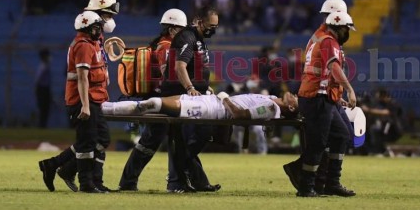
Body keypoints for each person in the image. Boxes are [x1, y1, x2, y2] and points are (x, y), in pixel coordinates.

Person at [39, 0, 120, 193]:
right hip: (85, 95)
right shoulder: (85, 42)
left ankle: (59, 166)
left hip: (94, 93)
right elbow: (83, 76)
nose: (109, 21)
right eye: (107, 15)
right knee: (88, 141)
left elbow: (95, 64)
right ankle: (87, 181)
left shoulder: (94, 38)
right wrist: (85, 103)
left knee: (99, 139)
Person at [283, 0, 355, 196]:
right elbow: (331, 67)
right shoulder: (327, 40)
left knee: (341, 135)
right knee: (319, 142)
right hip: (316, 97)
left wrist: (336, 93)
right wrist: (348, 88)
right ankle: (308, 184)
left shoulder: (320, 36)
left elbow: (324, 71)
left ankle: (329, 182)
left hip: (323, 95)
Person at [118, 8, 187, 191]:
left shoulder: (166, 44)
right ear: (172, 29)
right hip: (162, 98)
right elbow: (168, 73)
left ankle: (131, 182)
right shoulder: (166, 46)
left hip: (162, 97)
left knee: (157, 140)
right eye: (182, 30)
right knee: (161, 140)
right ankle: (172, 183)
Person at [160, 6, 220, 193]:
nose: (213, 29)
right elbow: (180, 66)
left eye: (216, 26)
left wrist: (203, 86)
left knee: (190, 138)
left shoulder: (199, 39)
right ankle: (177, 181)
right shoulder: (187, 37)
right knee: (192, 135)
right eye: (211, 25)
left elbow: (196, 68)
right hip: (180, 95)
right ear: (199, 21)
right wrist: (191, 87)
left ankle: (190, 179)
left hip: (193, 94)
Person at [103, 91, 298, 120]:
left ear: (291, 108)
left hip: (213, 109)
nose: (296, 95)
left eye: (297, 99)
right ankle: (103, 107)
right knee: (152, 105)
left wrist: (224, 98)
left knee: (153, 103)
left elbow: (240, 115)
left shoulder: (273, 109)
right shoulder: (271, 97)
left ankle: (103, 109)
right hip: (211, 100)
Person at [360, 88, 404, 155]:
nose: (378, 100)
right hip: (388, 128)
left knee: (374, 130)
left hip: (395, 129)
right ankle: (380, 150)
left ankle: (379, 151)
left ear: (383, 96)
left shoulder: (393, 103)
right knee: (372, 130)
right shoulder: (384, 104)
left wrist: (368, 110)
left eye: (379, 97)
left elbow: (386, 112)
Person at [35, 48, 52, 128]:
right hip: (42, 89)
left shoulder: (45, 66)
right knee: (43, 108)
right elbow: (38, 79)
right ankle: (41, 125)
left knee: (46, 108)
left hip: (45, 89)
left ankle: (43, 125)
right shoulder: (43, 67)